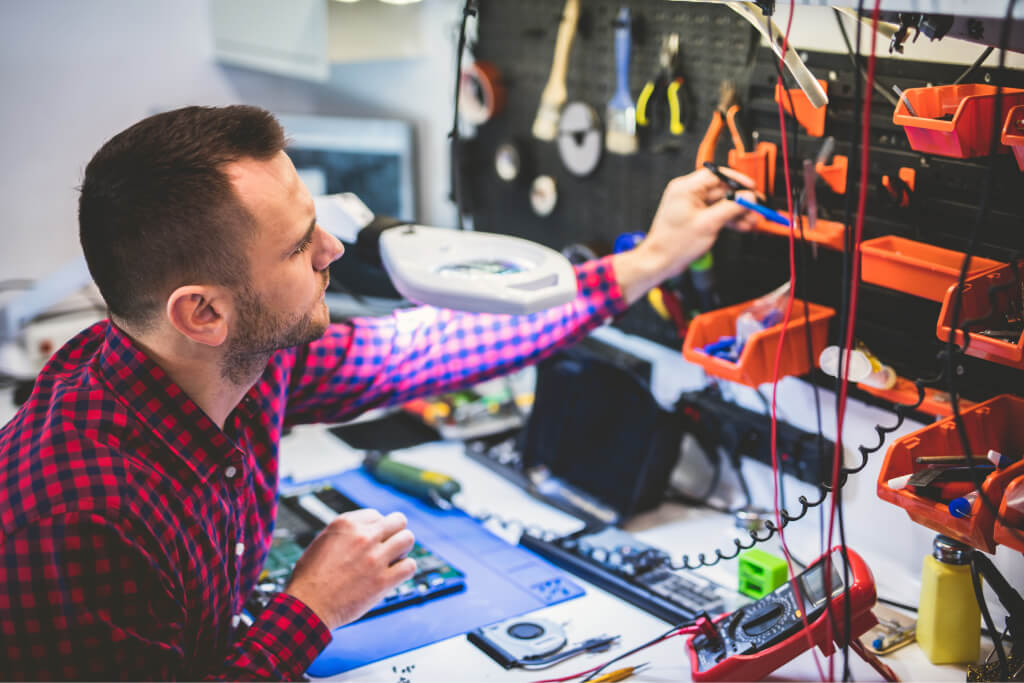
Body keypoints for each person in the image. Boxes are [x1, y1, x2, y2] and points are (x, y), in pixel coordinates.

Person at [0, 105, 757, 679]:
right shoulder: (78, 518)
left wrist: (646, 263)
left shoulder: (232, 366)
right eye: (301, 246)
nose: (331, 250)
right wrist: (310, 609)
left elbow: (421, 348)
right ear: (202, 311)